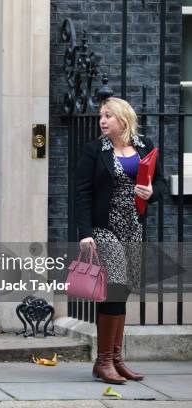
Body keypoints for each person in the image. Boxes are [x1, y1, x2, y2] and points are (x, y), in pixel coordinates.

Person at [75, 97, 166, 384]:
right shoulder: (94, 151)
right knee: (114, 286)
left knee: (122, 290)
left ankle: (115, 359)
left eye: (108, 116)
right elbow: (82, 193)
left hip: (133, 228)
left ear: (123, 119)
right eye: (101, 116)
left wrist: (151, 192)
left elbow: (161, 183)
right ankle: (103, 361)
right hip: (105, 229)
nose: (102, 121)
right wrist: (85, 232)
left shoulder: (144, 146)